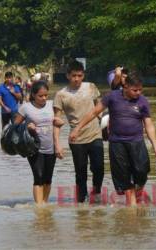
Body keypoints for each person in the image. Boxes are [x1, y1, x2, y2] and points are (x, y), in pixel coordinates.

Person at [70, 72, 156, 206]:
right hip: (117, 143)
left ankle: (139, 192)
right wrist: (77, 128)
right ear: (125, 87)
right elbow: (94, 112)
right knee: (124, 176)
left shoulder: (143, 101)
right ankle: (131, 208)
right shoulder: (112, 97)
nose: (138, 93)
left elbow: (149, 125)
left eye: (140, 90)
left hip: (137, 142)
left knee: (142, 171)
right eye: (135, 90)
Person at [53, 60, 104, 203]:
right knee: (81, 172)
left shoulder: (91, 87)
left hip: (95, 134)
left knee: (99, 167)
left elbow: (99, 107)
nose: (77, 79)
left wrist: (105, 121)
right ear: (68, 75)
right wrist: (57, 144)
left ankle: (96, 192)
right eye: (74, 75)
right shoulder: (61, 95)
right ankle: (81, 203)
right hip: (76, 139)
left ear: (83, 75)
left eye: (80, 75)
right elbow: (56, 121)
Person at [14, 80, 64, 205]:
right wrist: (27, 127)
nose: (44, 98)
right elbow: (14, 127)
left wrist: (60, 123)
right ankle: (39, 208)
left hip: (50, 147)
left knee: (48, 179)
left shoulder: (52, 105)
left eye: (46, 95)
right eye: (40, 96)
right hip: (34, 148)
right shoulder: (25, 108)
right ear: (33, 95)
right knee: (39, 177)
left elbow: (58, 123)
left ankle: (44, 204)